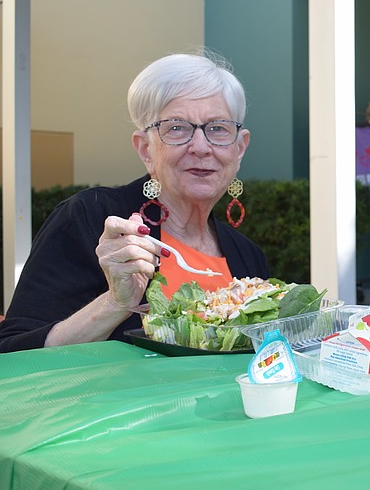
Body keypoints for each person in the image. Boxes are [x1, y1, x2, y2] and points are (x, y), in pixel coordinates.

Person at [0, 51, 269, 353]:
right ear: (145, 150)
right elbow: (12, 353)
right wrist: (115, 303)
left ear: (240, 147)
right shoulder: (90, 218)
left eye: (218, 128)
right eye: (177, 128)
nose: (201, 147)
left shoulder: (248, 256)